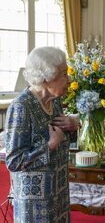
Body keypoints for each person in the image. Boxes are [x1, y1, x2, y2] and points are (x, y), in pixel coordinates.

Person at [4, 46, 79, 222]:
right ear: (46, 77)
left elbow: (63, 139)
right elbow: (13, 161)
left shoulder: (55, 100)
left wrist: (73, 126)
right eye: (63, 74)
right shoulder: (22, 107)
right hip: (35, 205)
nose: (68, 79)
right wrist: (49, 146)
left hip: (58, 193)